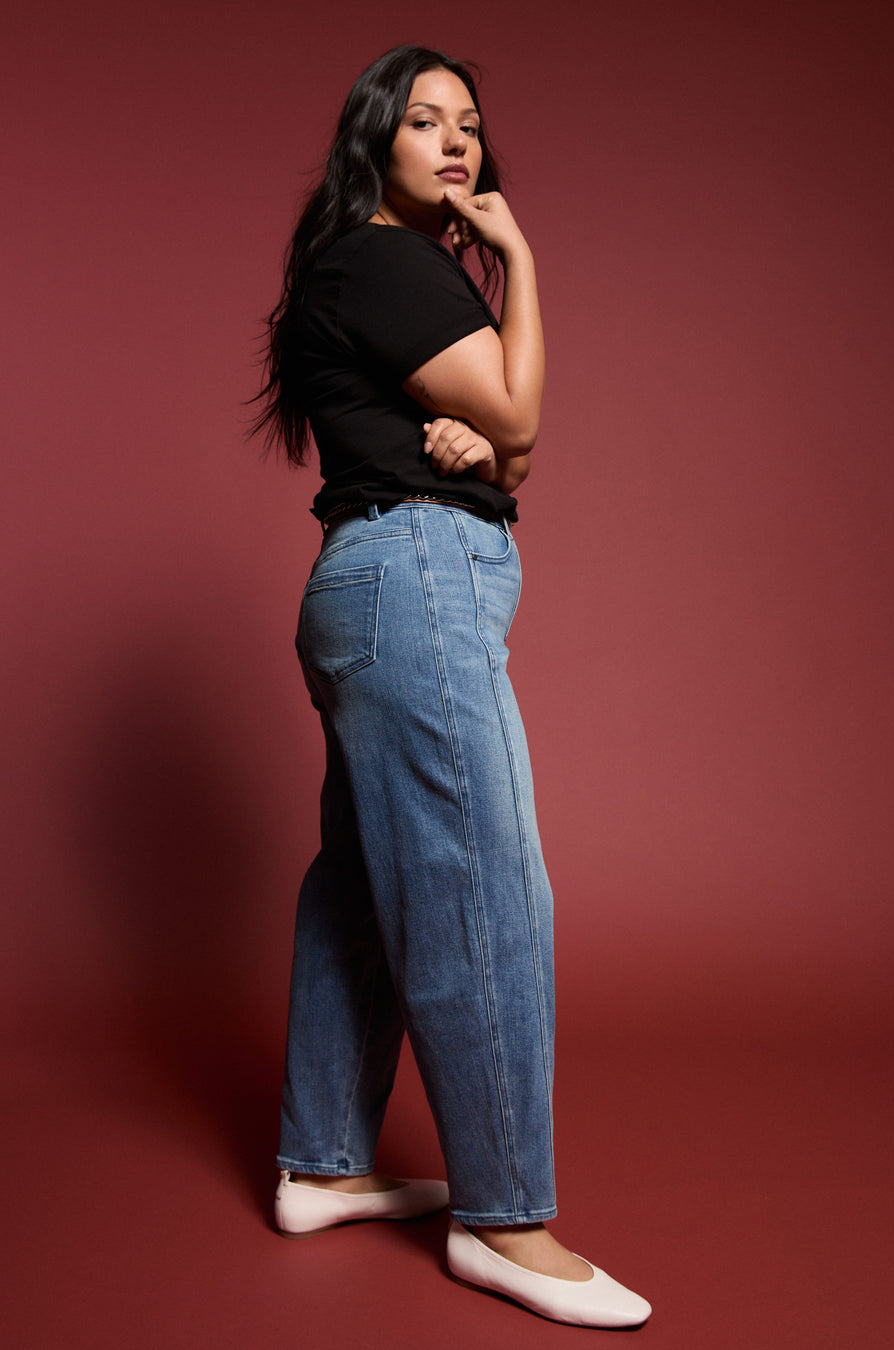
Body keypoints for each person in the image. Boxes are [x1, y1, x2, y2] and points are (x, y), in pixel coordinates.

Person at [253, 45, 651, 1329]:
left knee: (366, 887)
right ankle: (504, 1217)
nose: (456, 141)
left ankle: (324, 1165)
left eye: (468, 123)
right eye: (424, 120)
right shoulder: (389, 262)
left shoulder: (369, 275)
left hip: (374, 580)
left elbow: (503, 443)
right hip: (414, 578)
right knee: (479, 878)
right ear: (374, 139)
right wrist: (517, 259)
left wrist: (488, 447)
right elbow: (522, 422)